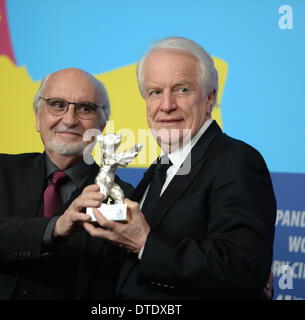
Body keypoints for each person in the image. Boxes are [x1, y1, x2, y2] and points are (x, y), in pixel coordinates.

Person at [84, 37, 277, 299]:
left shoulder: (236, 160)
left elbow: (243, 269)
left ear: (210, 98)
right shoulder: (162, 165)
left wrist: (145, 244)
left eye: (182, 89)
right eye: (155, 92)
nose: (166, 105)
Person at [0, 68, 133, 299]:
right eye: (58, 105)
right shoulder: (0, 169)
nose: (69, 119)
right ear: (38, 117)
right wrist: (55, 228)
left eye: (85, 108)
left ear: (101, 126)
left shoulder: (120, 197)